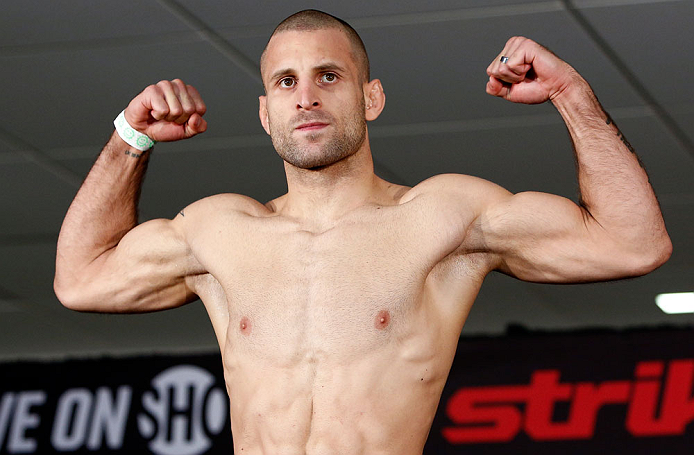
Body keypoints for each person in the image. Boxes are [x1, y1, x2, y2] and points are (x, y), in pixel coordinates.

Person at [54, 9, 671, 454]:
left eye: (329, 76)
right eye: (286, 82)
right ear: (266, 113)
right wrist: (127, 139)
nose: (306, 98)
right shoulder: (219, 230)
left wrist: (571, 94)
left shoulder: (445, 217)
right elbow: (81, 281)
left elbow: (633, 243)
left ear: (370, 98)